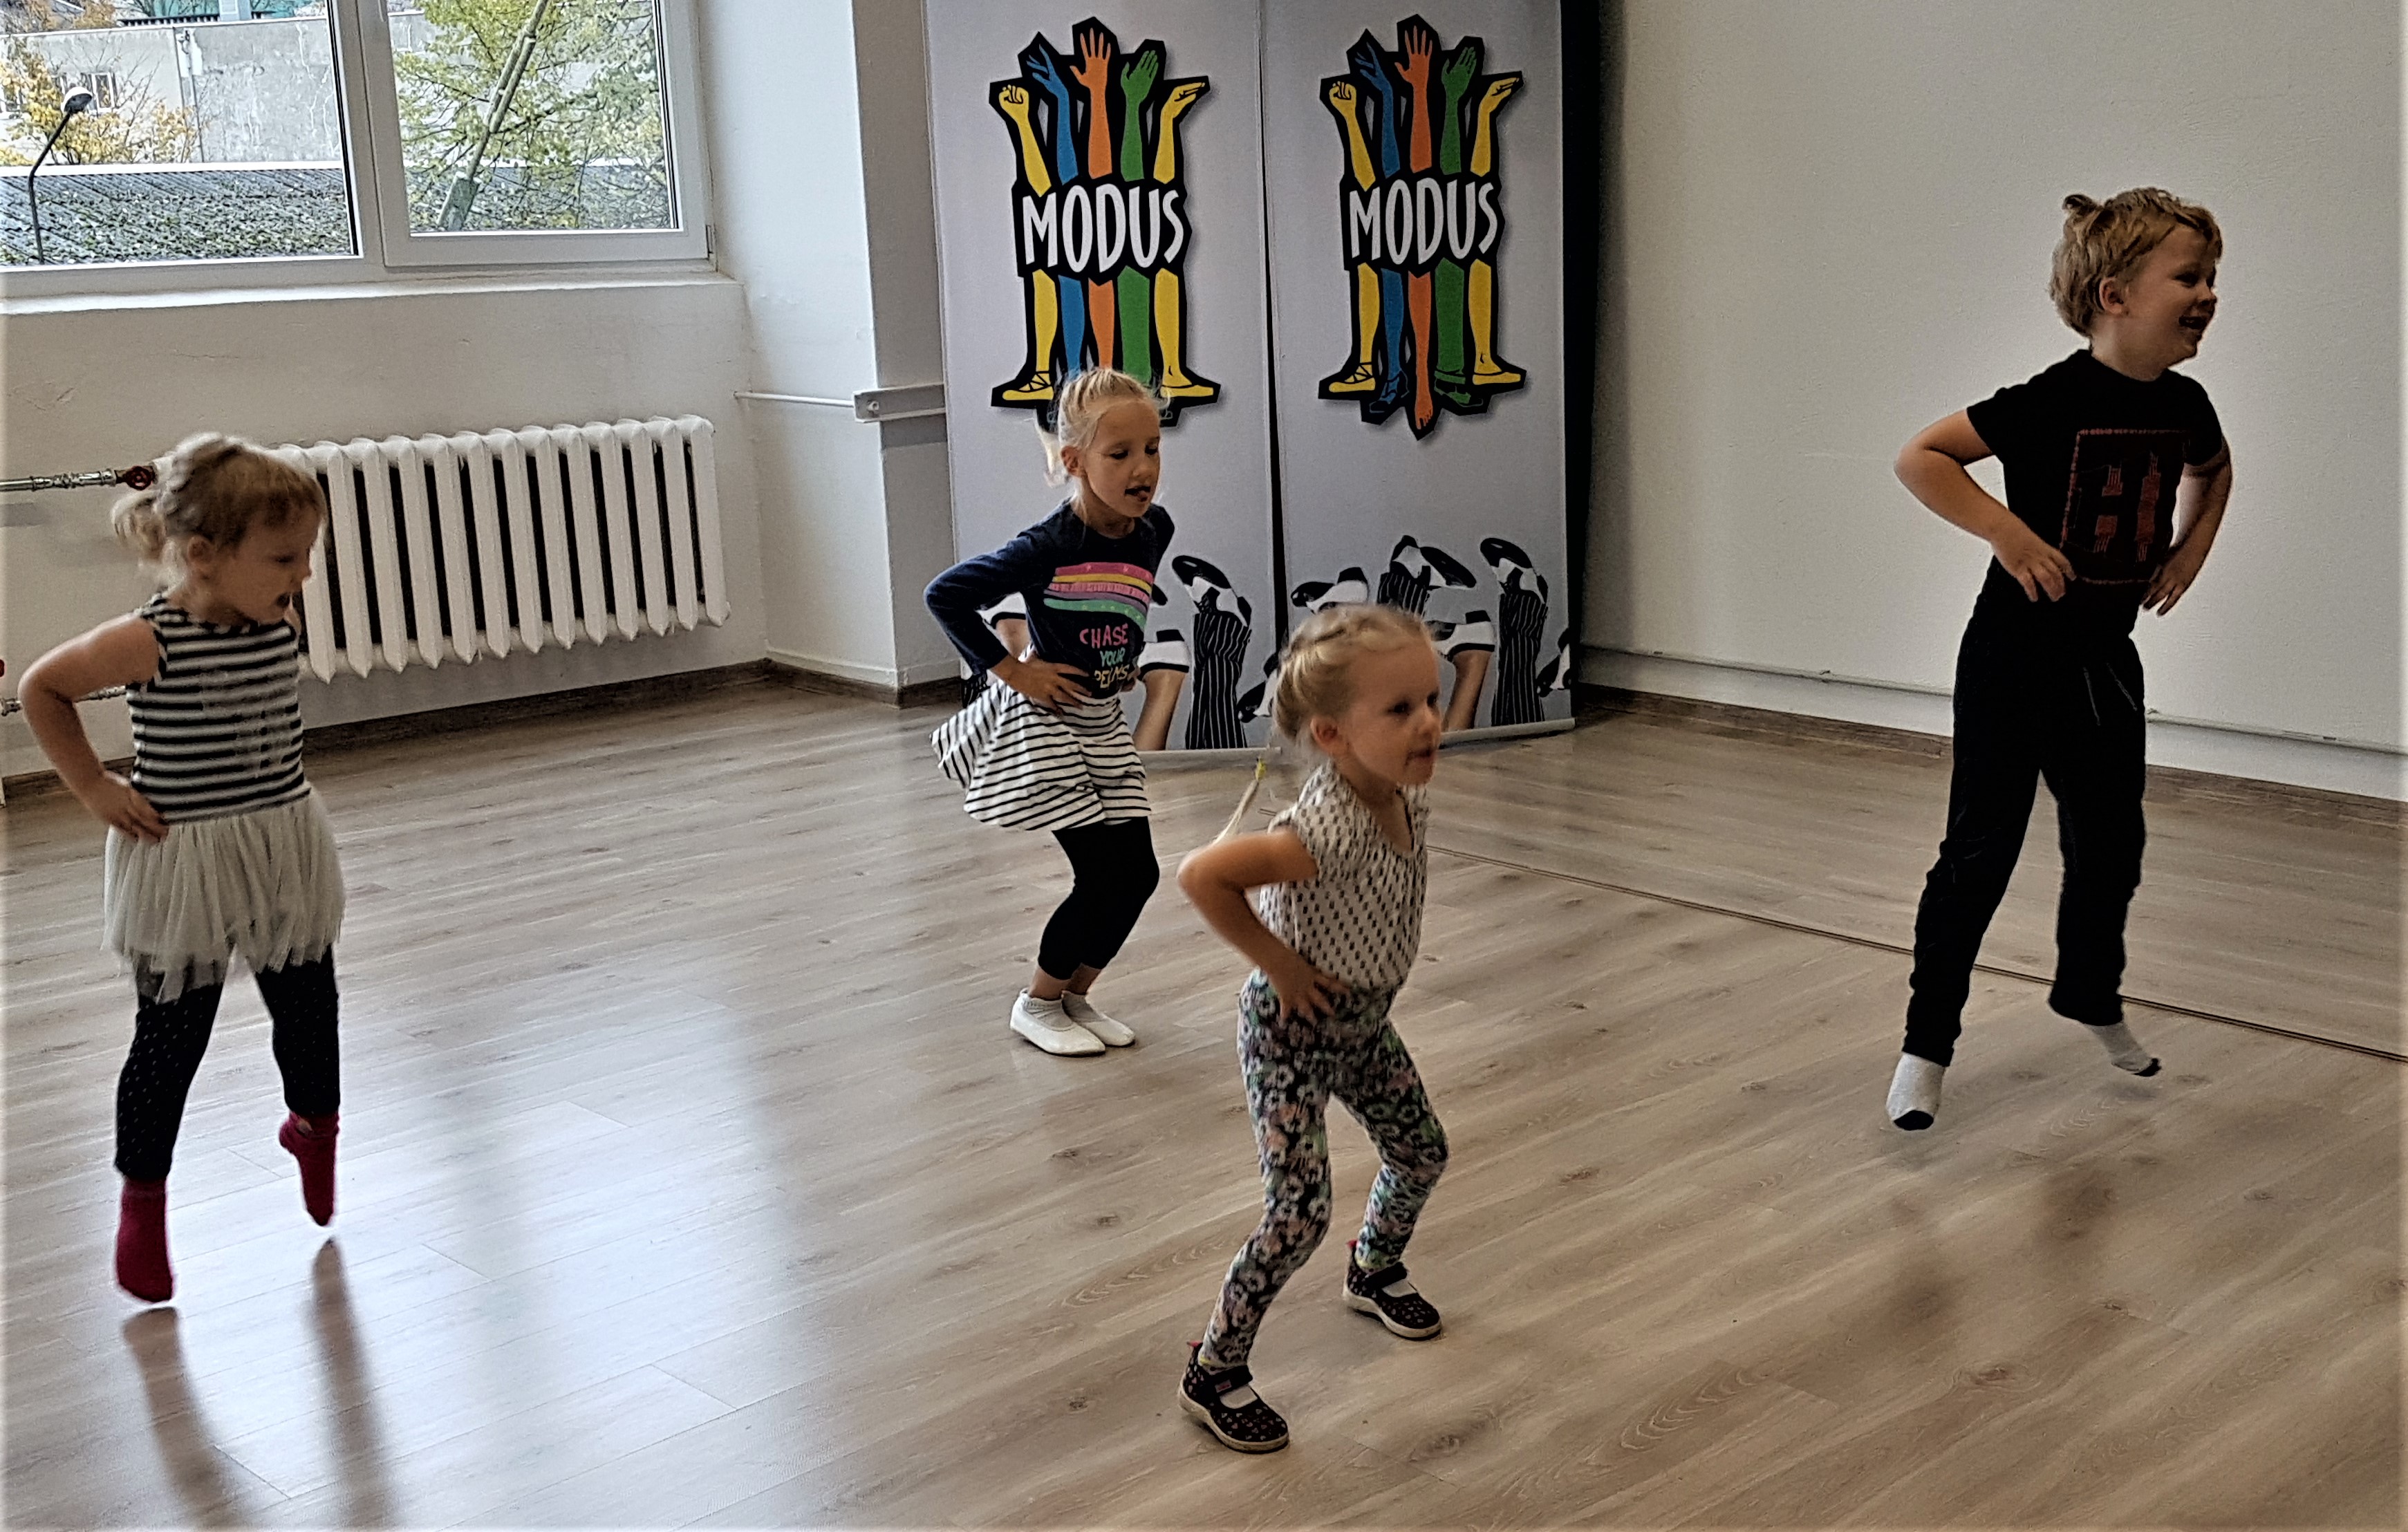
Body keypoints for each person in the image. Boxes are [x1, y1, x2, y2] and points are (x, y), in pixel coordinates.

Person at [1886, 189, 2234, 1130]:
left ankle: (2088, 993)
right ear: (2115, 296)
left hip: (2105, 660)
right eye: (2188, 277)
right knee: (1978, 853)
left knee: (2110, 847)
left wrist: (2189, 551)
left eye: (2211, 277)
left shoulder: (2185, 404)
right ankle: (1925, 1044)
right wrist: (2008, 534)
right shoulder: (2048, 400)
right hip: (2012, 658)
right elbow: (1922, 457)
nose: (2207, 294)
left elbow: (2213, 468)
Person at [18, 434, 347, 1302]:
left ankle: (315, 1129)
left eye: (306, 553)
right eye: (284, 557)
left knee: (311, 1011)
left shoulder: (278, 616)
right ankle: (143, 1200)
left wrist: (281, 578)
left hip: (281, 844)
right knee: (171, 1038)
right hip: (185, 858)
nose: (304, 573)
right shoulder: (147, 639)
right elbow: (42, 688)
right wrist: (94, 786)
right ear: (203, 555)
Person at [1173, 604, 1452, 1452]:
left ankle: (1374, 1267)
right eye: (1399, 709)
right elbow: (1202, 875)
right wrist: (1281, 967)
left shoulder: (1404, 793)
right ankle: (1214, 1368)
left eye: (1431, 698)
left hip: (1361, 1026)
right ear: (1332, 735)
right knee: (1298, 1212)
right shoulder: (1325, 827)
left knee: (1422, 1151)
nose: (1429, 722)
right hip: (1290, 1036)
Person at [924, 369, 1173, 1057]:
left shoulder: (1154, 530)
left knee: (1140, 874)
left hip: (1099, 720)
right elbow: (946, 595)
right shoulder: (1050, 545)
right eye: (1119, 453)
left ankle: (1074, 995)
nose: (1142, 468)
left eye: (1152, 448)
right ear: (1075, 461)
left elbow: (1117, 603)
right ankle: (1035, 1003)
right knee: (1100, 876)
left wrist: (1118, 660)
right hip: (1048, 725)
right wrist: (1012, 670)